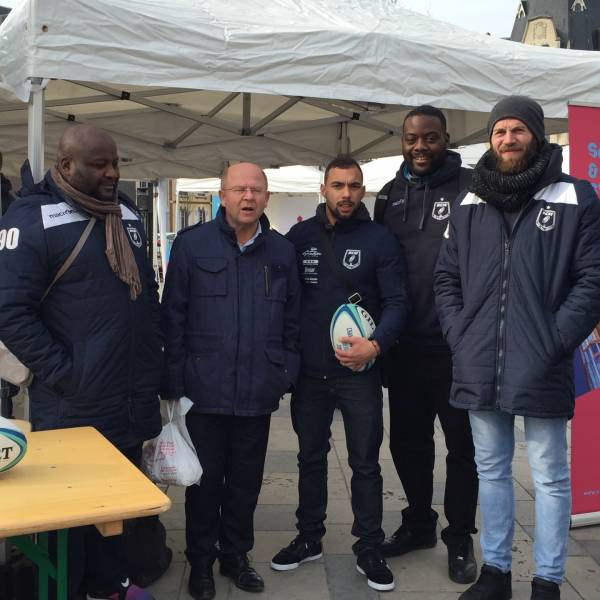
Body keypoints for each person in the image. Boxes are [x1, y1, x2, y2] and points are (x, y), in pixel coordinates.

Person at [434, 95, 600, 600]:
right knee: (491, 470)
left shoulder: (576, 196)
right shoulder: (470, 200)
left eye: (517, 130)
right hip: (479, 358)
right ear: (490, 138)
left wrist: (555, 338)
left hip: (542, 359)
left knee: (549, 474)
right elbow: (446, 278)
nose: (508, 139)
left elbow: (592, 279)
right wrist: (460, 334)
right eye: (500, 131)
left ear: (536, 135)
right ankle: (497, 574)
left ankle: (548, 580)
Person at [0, 124, 164, 599]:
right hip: (72, 403)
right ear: (66, 165)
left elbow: (146, 297)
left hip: (129, 399)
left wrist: (153, 368)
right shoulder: (30, 218)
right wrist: (64, 373)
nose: (112, 172)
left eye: (115, 162)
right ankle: (68, 590)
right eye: (99, 164)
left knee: (116, 509)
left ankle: (110, 585)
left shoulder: (127, 213)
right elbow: (9, 311)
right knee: (69, 519)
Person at [161, 162, 301, 600]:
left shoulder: (281, 252)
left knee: (246, 481)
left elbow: (294, 320)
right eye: (239, 189)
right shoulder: (192, 245)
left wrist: (284, 372)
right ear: (221, 195)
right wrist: (174, 380)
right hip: (204, 391)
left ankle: (236, 555)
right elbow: (173, 317)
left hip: (257, 390)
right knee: (205, 483)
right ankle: (201, 561)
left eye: (256, 190)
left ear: (266, 197)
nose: (248, 197)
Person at [271, 157, 410, 592]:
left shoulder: (380, 239)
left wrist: (376, 345)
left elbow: (398, 303)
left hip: (360, 374)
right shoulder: (299, 238)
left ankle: (368, 545)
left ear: (363, 189)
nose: (346, 194)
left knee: (365, 463)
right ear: (323, 189)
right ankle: (309, 536)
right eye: (337, 185)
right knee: (309, 459)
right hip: (311, 375)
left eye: (353, 186)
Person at [373, 105, 478, 583]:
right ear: (401, 139)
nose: (420, 147)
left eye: (430, 138)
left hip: (457, 347)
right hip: (405, 347)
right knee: (408, 443)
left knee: (462, 449)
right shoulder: (389, 195)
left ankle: (460, 539)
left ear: (446, 139)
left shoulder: (473, 187)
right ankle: (419, 523)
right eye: (412, 138)